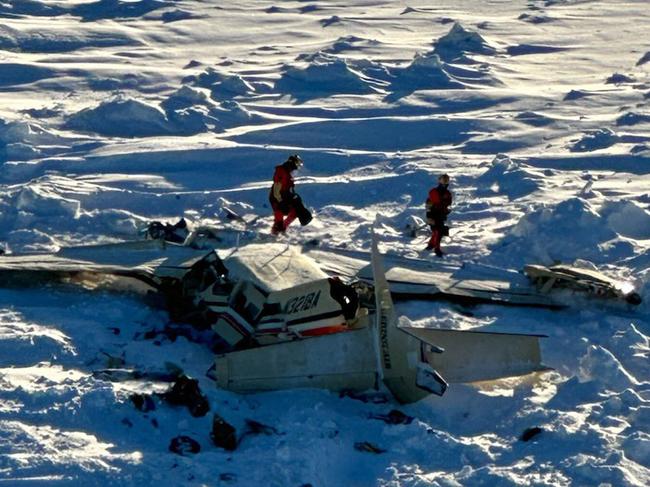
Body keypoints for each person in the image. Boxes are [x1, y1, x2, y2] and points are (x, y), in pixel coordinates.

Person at [269, 154, 305, 234]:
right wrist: (280, 201)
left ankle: (282, 230)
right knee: (279, 218)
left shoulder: (288, 173)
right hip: (277, 198)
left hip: (284, 196)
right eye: (297, 165)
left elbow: (288, 188)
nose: (298, 168)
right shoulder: (282, 171)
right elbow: (276, 188)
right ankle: (276, 232)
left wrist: (294, 197)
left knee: (296, 211)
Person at [425, 174, 452, 257]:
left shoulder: (447, 193)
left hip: (441, 214)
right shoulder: (434, 191)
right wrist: (429, 216)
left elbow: (448, 204)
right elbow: (428, 204)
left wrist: (446, 210)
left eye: (447, 180)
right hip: (433, 214)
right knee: (437, 231)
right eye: (444, 180)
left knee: (437, 231)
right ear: (440, 181)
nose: (445, 182)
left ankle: (431, 244)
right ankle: (436, 248)